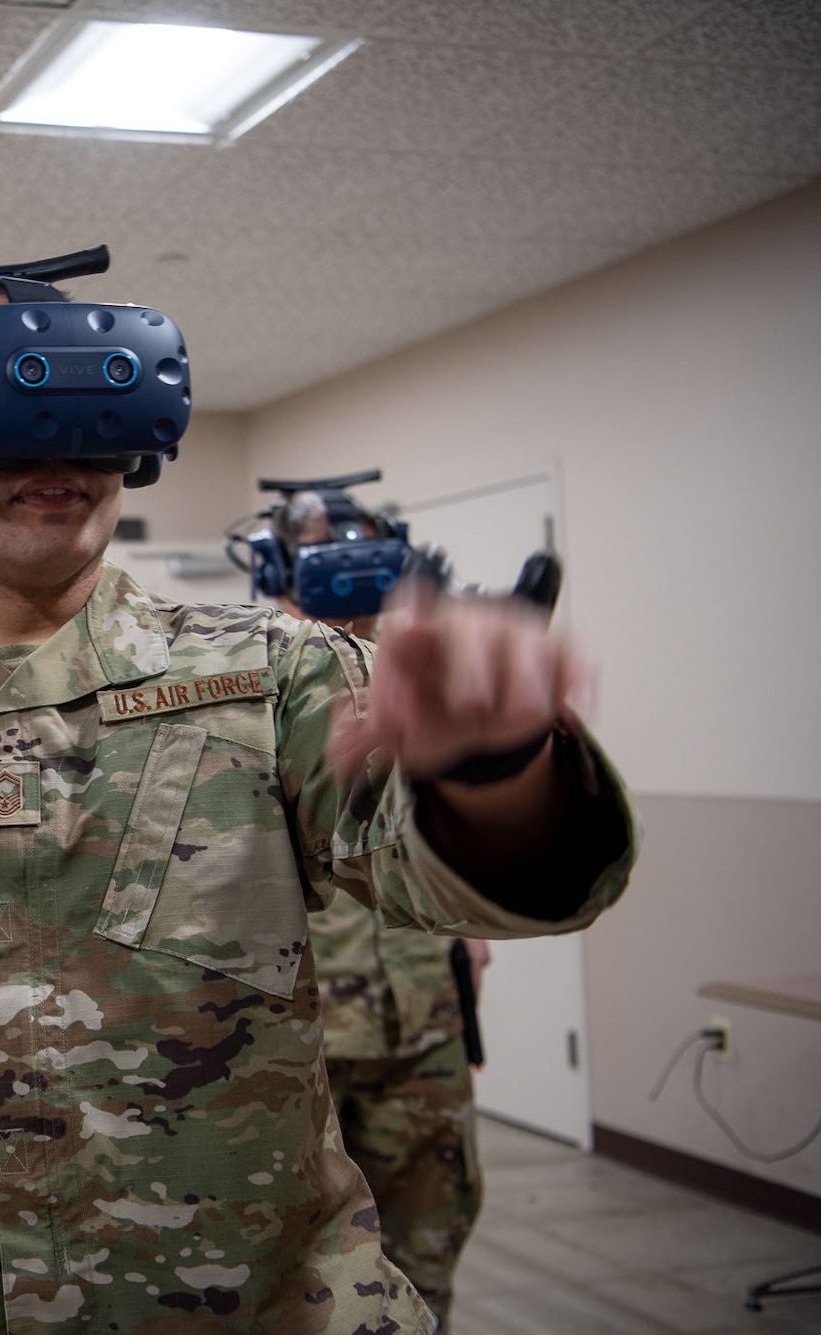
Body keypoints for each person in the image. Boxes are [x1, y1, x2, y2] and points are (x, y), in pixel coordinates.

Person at [0, 276, 637, 1333]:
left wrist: (494, 769)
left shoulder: (275, 675)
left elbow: (480, 882)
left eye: (93, 409)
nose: (53, 450)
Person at [269, 487, 491, 1330]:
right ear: (284, 566)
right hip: (301, 1039)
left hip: (420, 1023)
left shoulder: (424, 670)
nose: (349, 572)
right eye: (327, 555)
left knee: (430, 1242)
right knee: (295, 1275)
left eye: (365, 552)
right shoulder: (250, 678)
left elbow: (442, 831)